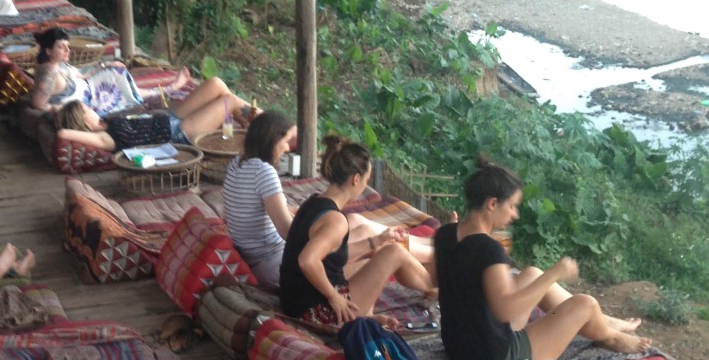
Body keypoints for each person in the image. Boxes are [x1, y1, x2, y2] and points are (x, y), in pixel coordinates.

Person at [434, 156, 651, 360]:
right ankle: (611, 337)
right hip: (492, 359)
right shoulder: (488, 249)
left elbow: (438, 281)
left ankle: (604, 322)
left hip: (458, 348)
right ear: (492, 204)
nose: (515, 214)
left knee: (532, 274)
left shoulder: (444, 233)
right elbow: (505, 310)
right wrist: (554, 274)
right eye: (512, 206)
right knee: (585, 304)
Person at [279, 135, 435, 329]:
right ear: (356, 179)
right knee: (395, 253)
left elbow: (333, 256)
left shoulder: (313, 202)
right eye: (366, 180)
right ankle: (439, 285)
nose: (365, 186)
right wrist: (334, 297)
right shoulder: (335, 221)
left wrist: (378, 240)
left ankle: (366, 317)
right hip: (315, 312)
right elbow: (307, 260)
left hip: (295, 302)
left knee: (372, 260)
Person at [55, 77, 253, 152]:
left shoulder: (106, 120)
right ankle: (265, 128)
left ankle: (248, 125)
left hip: (170, 117)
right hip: (178, 134)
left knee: (216, 84)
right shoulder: (104, 137)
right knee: (230, 101)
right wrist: (60, 114)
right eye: (86, 109)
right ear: (82, 120)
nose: (91, 108)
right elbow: (62, 133)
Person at [29, 27, 190, 115]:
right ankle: (168, 89)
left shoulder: (58, 64)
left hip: (90, 87)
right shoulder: (48, 73)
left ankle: (165, 90)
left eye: (67, 46)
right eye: (61, 47)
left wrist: (105, 65)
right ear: (48, 51)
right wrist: (63, 109)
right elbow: (38, 104)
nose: (67, 50)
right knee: (122, 88)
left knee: (117, 75)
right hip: (91, 101)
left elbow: (82, 75)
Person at [221, 111, 296, 289]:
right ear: (272, 141)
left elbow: (241, 209)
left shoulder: (237, 162)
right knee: (345, 250)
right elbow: (287, 232)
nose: (287, 148)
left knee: (354, 227)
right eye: (286, 141)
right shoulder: (263, 172)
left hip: (248, 256)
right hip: (272, 263)